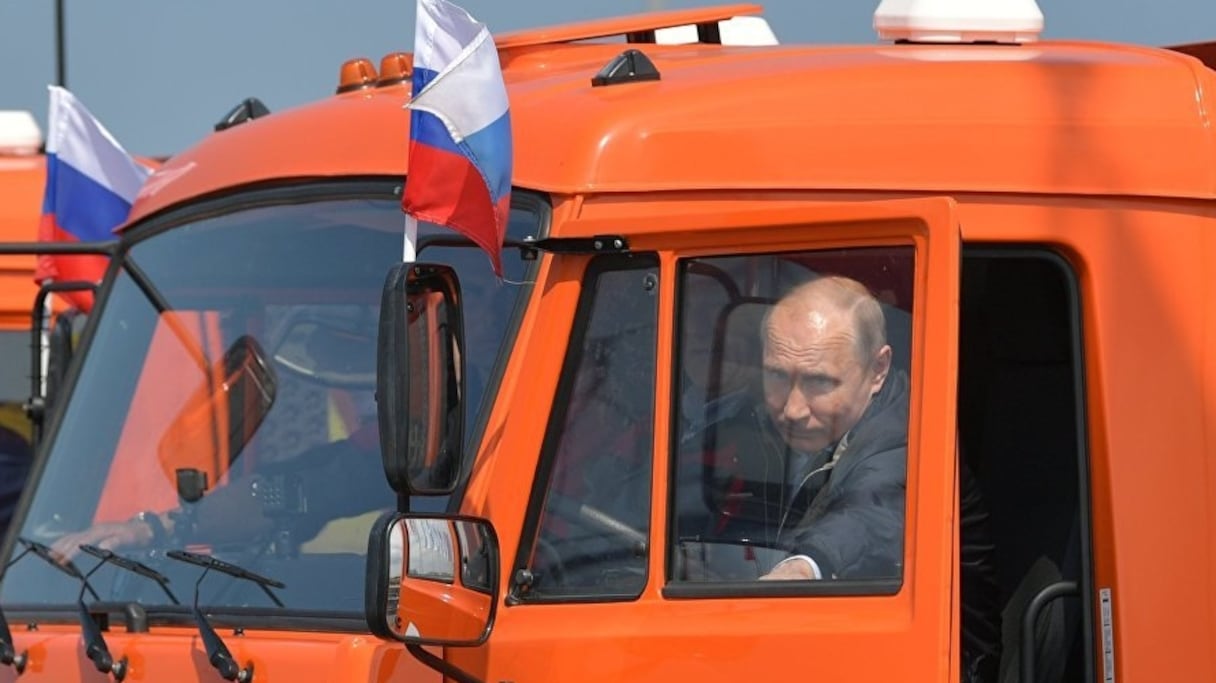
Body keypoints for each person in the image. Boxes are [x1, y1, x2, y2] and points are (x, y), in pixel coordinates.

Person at [680, 274, 1000, 682]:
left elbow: (871, 515)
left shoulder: (910, 436)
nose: (793, 408)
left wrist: (801, 569)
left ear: (878, 369)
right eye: (778, 375)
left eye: (819, 382)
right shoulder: (761, 419)